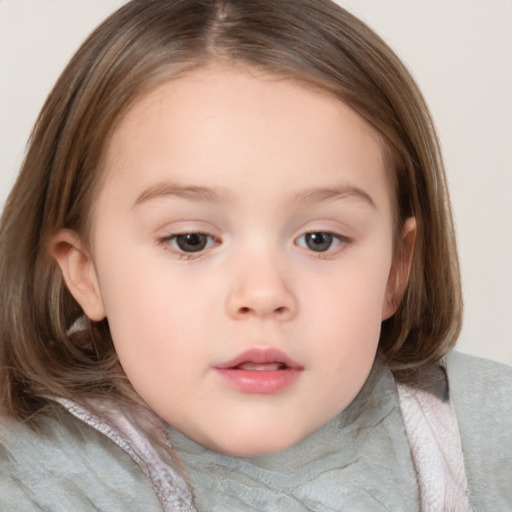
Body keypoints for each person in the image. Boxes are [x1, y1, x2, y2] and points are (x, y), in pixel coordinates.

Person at [0, 0, 510, 510]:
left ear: (396, 270)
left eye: (320, 239)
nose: (264, 294)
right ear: (85, 272)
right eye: (191, 240)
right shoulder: (30, 477)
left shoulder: (491, 437)